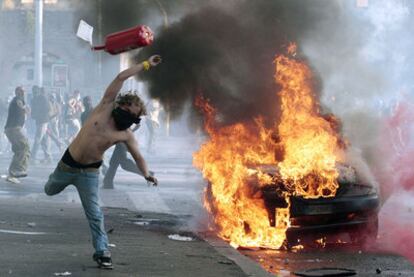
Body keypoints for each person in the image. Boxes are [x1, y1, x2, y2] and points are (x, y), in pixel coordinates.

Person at [44, 55, 161, 269]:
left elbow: (138, 157)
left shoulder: (126, 134)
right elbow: (121, 76)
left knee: (96, 214)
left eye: (133, 116)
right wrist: (146, 65)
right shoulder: (105, 106)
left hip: (89, 173)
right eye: (127, 111)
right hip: (66, 165)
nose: (127, 117)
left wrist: (146, 174)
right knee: (50, 190)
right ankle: (53, 180)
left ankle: (102, 251)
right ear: (121, 105)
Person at [4, 86, 30, 183]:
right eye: (21, 91)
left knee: (19, 150)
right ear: (17, 92)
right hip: (14, 128)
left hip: (13, 128)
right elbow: (24, 111)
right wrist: (26, 110)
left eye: (24, 91)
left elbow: (26, 111)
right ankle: (18, 170)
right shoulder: (17, 101)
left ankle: (12, 174)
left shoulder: (19, 101)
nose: (23, 93)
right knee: (24, 147)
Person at [31, 86, 52, 163]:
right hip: (40, 121)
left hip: (42, 121)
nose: (34, 93)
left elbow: (48, 108)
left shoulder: (40, 98)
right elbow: (33, 111)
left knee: (38, 138)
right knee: (43, 139)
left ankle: (33, 157)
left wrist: (37, 114)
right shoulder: (35, 99)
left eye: (35, 91)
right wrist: (35, 115)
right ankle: (48, 156)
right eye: (34, 91)